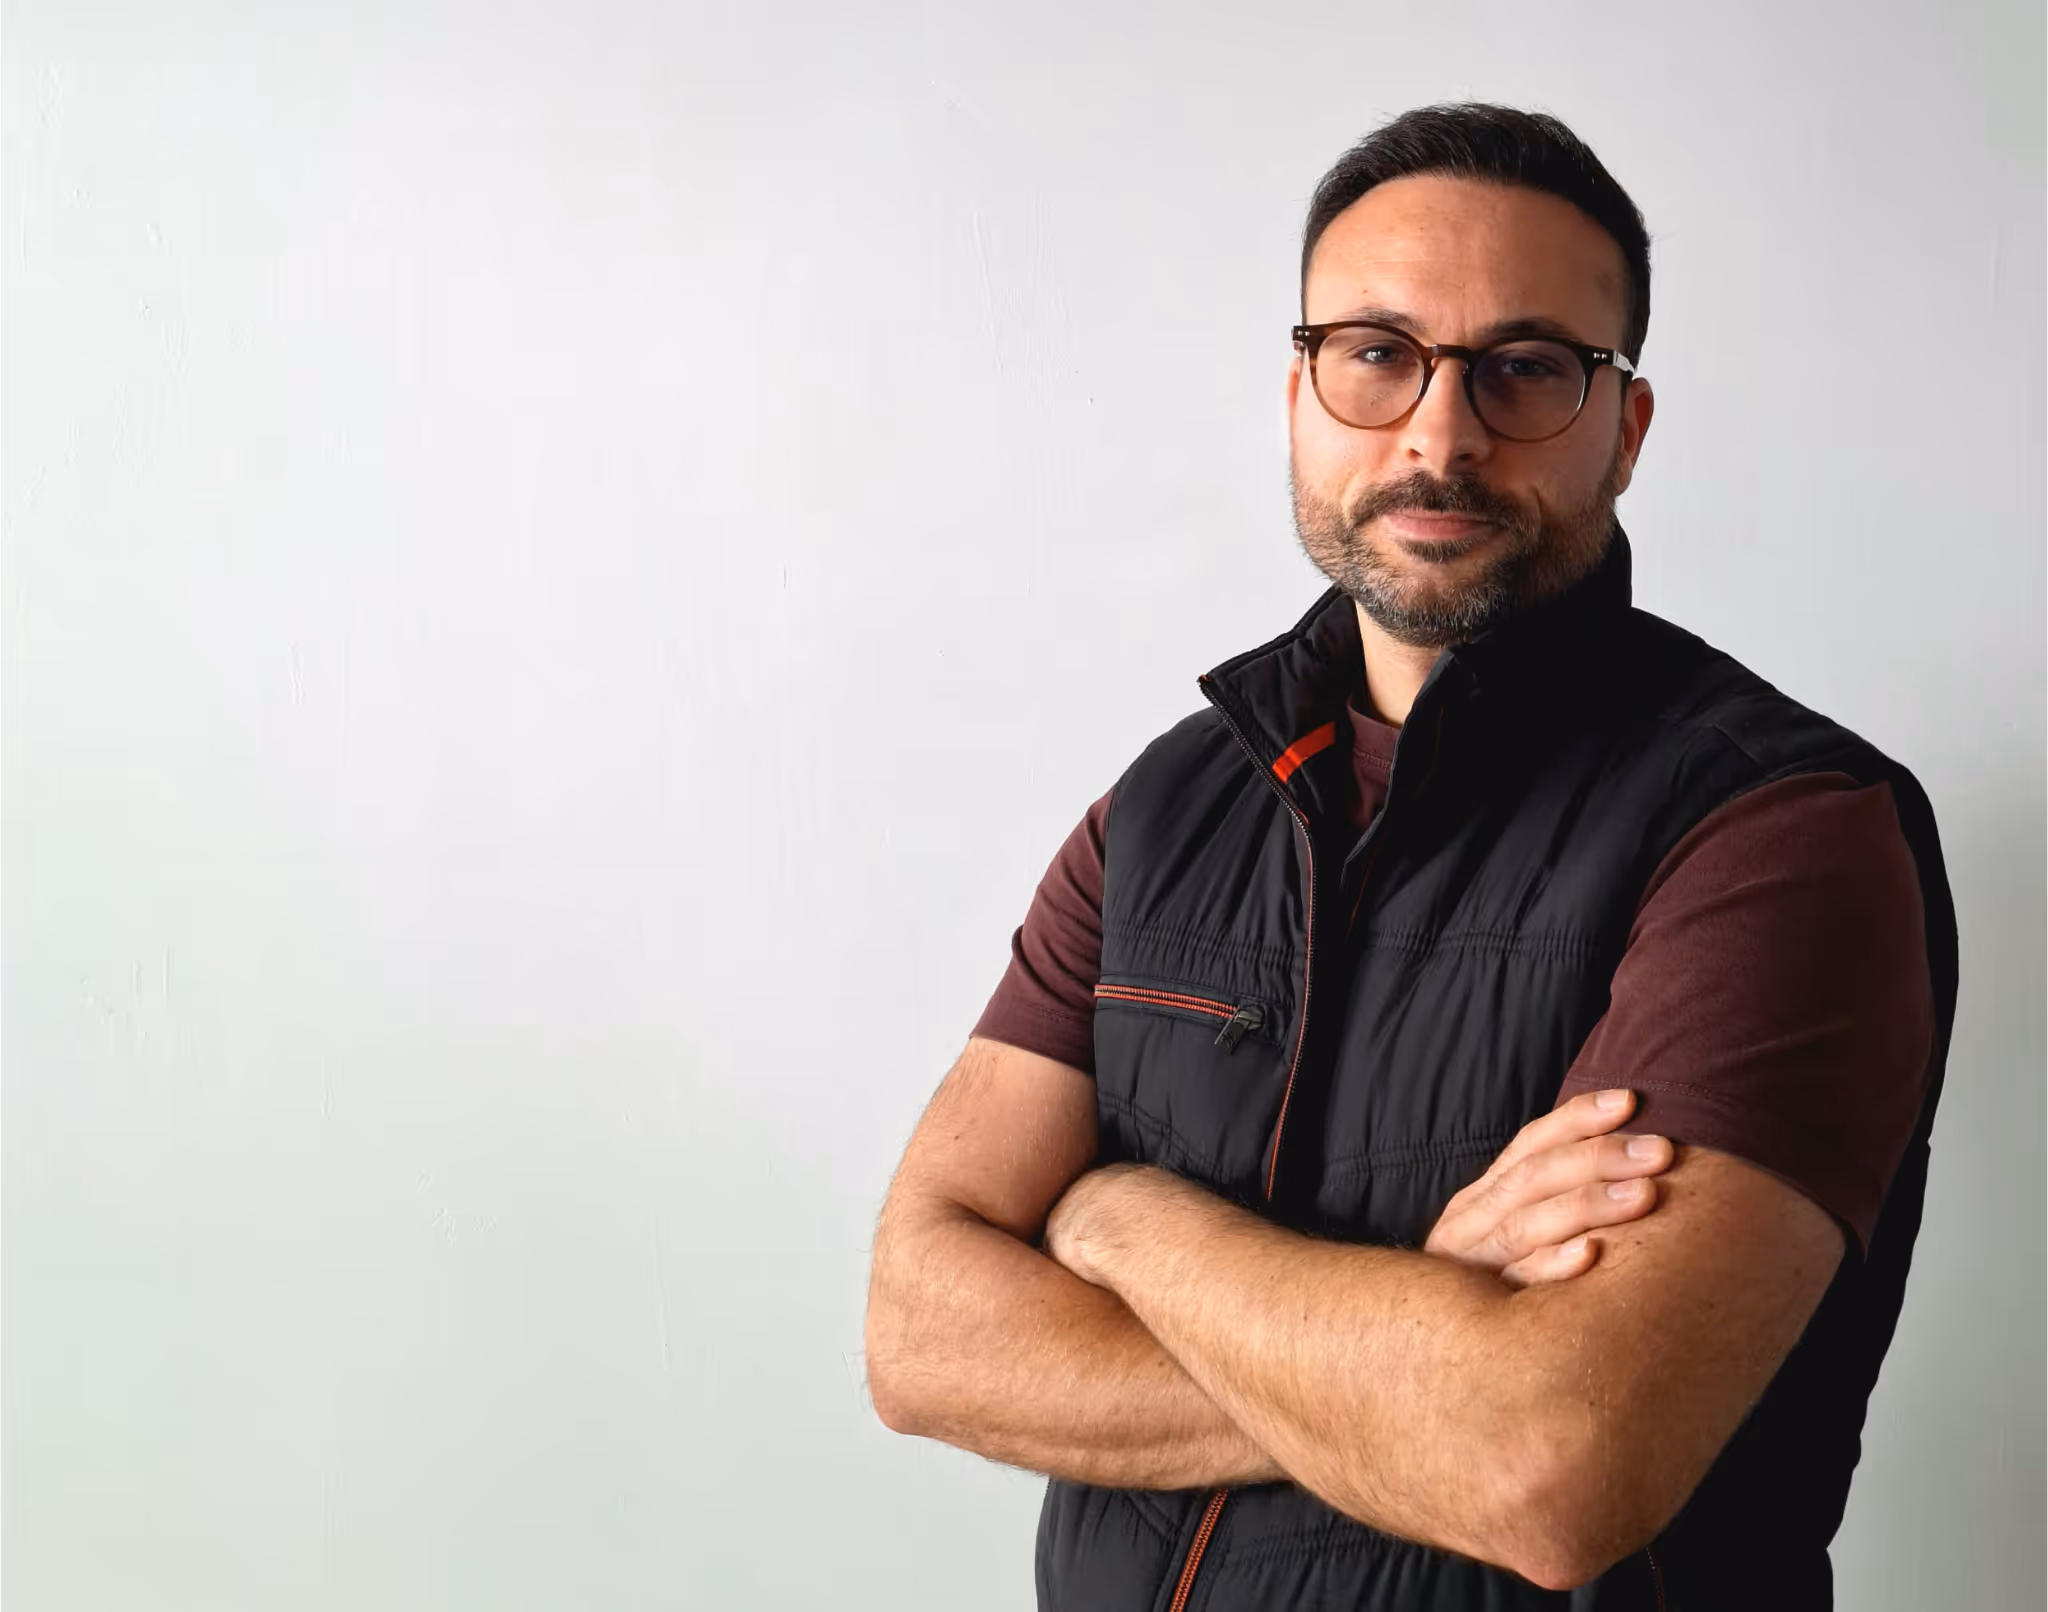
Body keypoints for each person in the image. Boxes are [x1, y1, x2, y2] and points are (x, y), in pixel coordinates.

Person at [863, 102, 1955, 1610]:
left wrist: (1118, 1218)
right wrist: (1416, 1338)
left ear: (1624, 429)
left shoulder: (1780, 833)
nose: (1440, 436)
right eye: (1377, 355)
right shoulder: (1166, 811)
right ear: (1300, 394)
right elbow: (918, 1336)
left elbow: (1549, 1462)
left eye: (1524, 369)